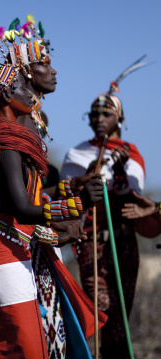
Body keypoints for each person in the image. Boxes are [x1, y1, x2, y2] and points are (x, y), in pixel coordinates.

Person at [0, 21, 103, 358]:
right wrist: (75, 205)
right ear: (6, 93)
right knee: (24, 345)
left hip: (6, 245)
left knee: (19, 342)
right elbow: (21, 206)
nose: (29, 93)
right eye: (20, 85)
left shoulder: (5, 139)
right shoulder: (7, 142)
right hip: (3, 249)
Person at [60, 63, 148, 358]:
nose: (99, 119)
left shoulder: (131, 152)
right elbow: (68, 192)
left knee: (122, 303)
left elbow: (134, 193)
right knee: (99, 302)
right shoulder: (77, 153)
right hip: (91, 238)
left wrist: (120, 166)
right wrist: (92, 171)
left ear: (119, 119)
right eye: (94, 114)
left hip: (122, 237)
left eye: (106, 114)